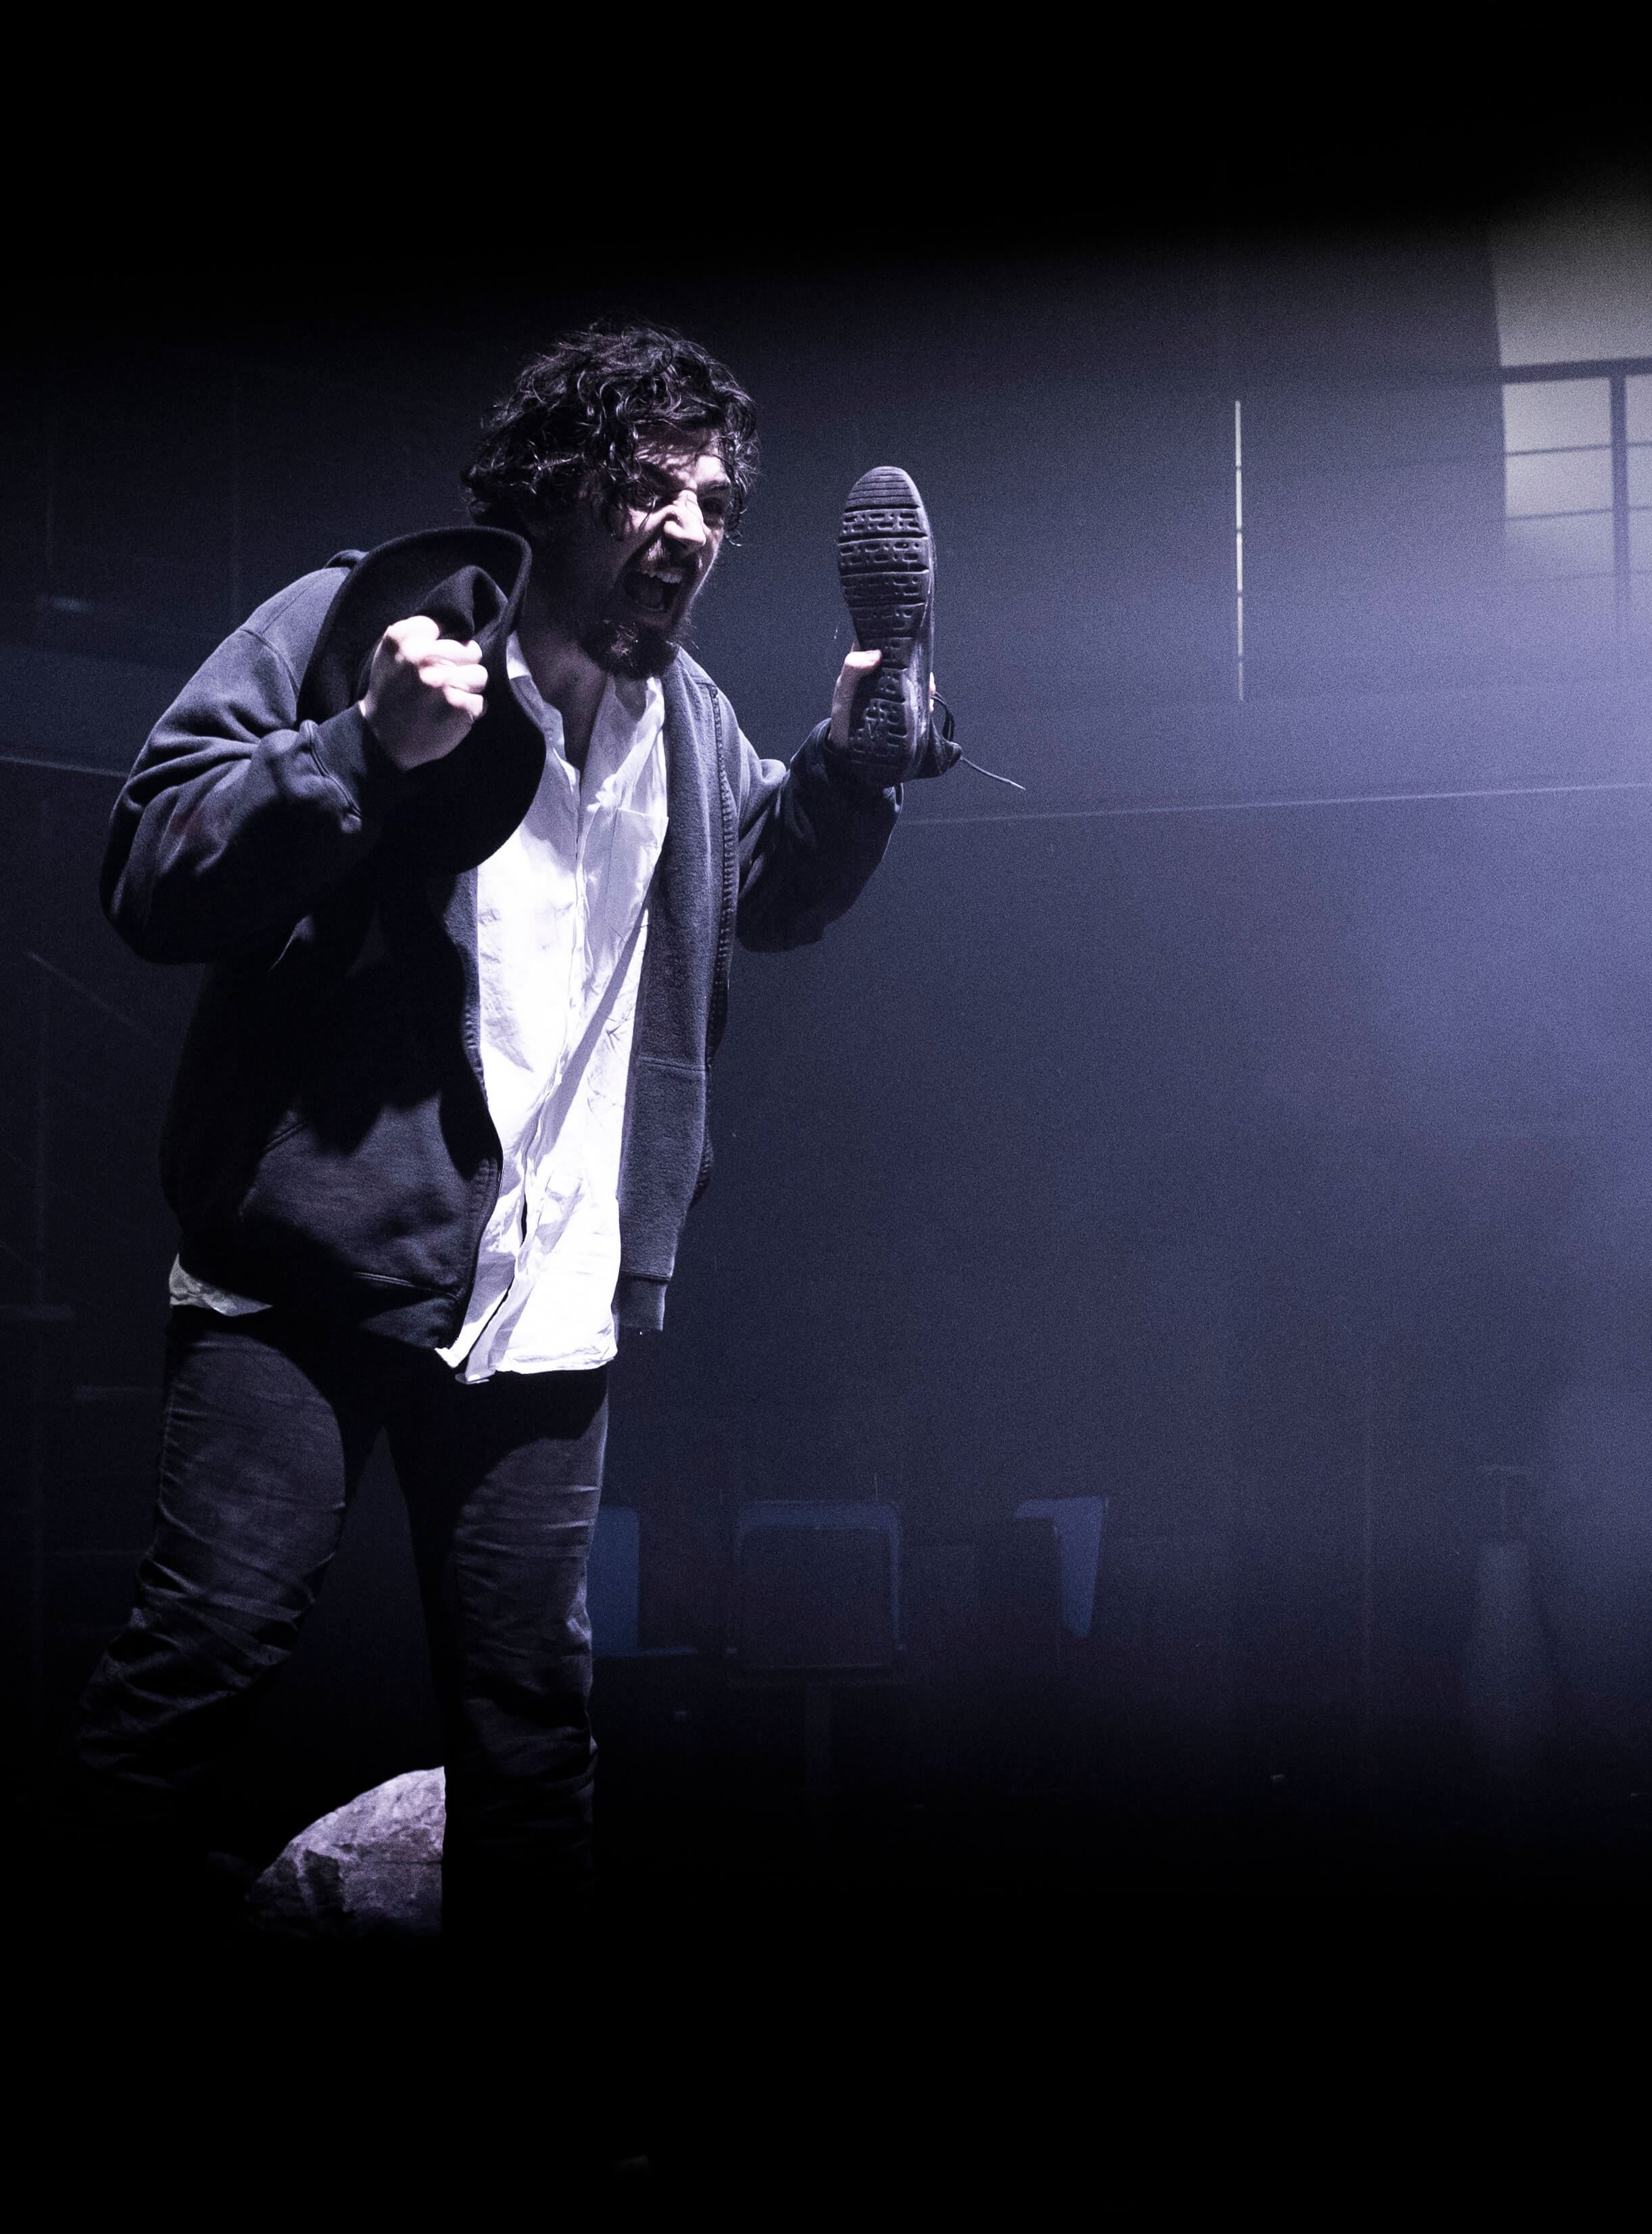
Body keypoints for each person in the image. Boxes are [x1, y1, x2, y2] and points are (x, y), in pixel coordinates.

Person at [71, 320, 958, 1947]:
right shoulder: (368, 620)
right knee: (195, 1673)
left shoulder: (688, 722)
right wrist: (360, 750)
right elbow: (148, 864)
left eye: (714, 503)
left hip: (546, 1299)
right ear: (550, 489)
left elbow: (764, 894)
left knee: (533, 1735)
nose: (688, 528)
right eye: (648, 488)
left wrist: (852, 766)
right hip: (305, 1281)